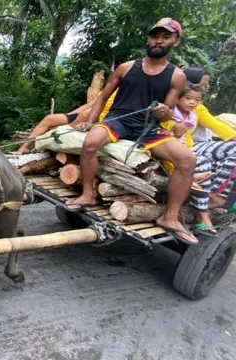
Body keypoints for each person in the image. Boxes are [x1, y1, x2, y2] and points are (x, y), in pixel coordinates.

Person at [65, 18, 200, 245]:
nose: (159, 41)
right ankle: (88, 194)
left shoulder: (177, 76)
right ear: (148, 39)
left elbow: (168, 113)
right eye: (155, 36)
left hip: (148, 127)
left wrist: (162, 112)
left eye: (166, 37)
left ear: (175, 41)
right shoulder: (127, 67)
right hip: (118, 120)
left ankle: (170, 217)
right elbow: (103, 97)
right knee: (90, 143)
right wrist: (91, 120)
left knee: (188, 159)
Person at [161, 67, 236, 236]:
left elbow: (219, 128)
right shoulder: (169, 105)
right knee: (199, 161)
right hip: (174, 145)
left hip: (190, 145)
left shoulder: (196, 110)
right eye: (200, 84)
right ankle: (203, 212)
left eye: (199, 96)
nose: (193, 101)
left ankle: (216, 196)